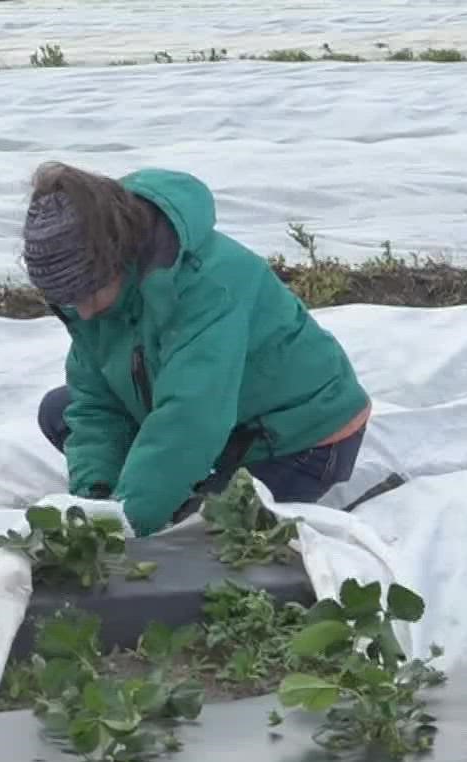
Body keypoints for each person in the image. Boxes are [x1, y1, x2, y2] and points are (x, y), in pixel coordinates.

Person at [23, 162, 372, 538]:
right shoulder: (90, 303)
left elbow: (191, 416)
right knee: (60, 411)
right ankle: (167, 487)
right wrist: (97, 497)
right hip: (224, 424)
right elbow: (96, 404)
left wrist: (126, 522)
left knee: (203, 533)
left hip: (298, 438)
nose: (84, 311)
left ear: (118, 260)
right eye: (69, 301)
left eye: (89, 294)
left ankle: (176, 491)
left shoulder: (209, 284)